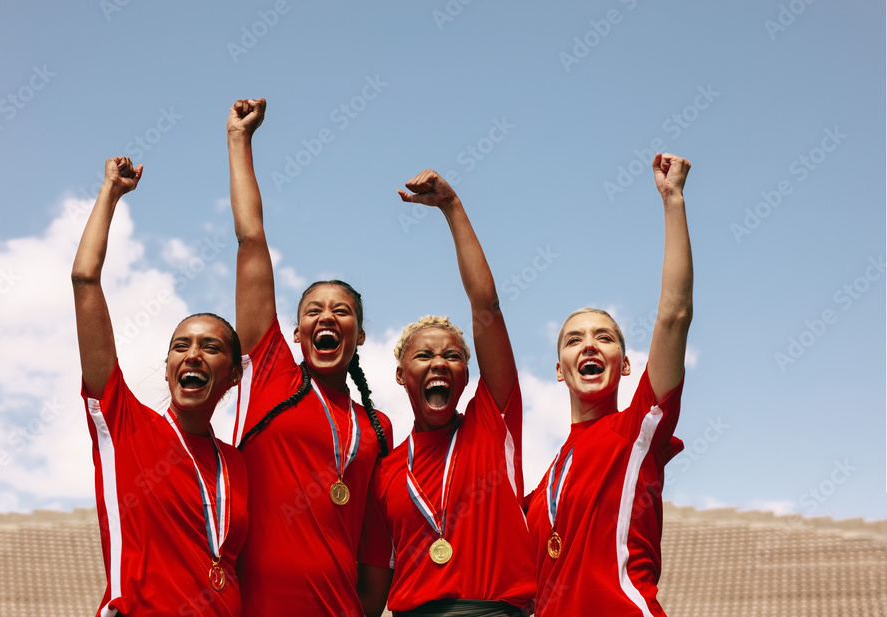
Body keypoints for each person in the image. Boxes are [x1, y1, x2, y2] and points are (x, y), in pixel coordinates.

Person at [226, 98, 393, 616]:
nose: (327, 318)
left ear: (360, 335)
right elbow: (251, 240)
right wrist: (240, 140)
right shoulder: (268, 370)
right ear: (296, 333)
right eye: (313, 311)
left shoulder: (378, 426)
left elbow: (375, 556)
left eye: (341, 311)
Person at [73, 157, 248, 617]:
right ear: (168, 367)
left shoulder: (237, 465)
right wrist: (111, 193)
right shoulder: (125, 424)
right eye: (180, 346)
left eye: (210, 346)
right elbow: (84, 279)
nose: (192, 354)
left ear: (232, 374)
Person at [356, 170, 535, 617]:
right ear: (401, 375)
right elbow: (374, 586)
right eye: (424, 356)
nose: (439, 362)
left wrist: (452, 208)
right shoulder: (385, 473)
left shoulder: (492, 421)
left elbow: (486, 306)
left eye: (453, 355)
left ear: (468, 374)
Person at [527, 153, 693, 616]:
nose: (589, 347)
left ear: (624, 365)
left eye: (604, 337)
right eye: (574, 340)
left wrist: (673, 200)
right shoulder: (543, 488)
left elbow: (675, 316)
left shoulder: (635, 431)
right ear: (559, 369)